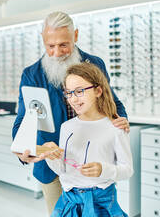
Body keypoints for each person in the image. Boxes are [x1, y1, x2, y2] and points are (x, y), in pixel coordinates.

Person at [12, 11, 130, 216]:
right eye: (50, 46)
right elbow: (24, 119)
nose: (57, 52)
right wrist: (24, 148)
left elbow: (112, 102)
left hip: (95, 165)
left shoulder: (95, 65)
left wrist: (121, 120)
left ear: (75, 35)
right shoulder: (32, 75)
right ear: (43, 39)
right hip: (53, 166)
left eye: (63, 45)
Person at [44, 62, 133, 216]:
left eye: (79, 91)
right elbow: (63, 170)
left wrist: (103, 170)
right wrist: (50, 157)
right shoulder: (66, 127)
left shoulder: (115, 128)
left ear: (98, 90)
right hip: (68, 204)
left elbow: (127, 170)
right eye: (69, 93)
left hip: (101, 205)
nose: (73, 99)